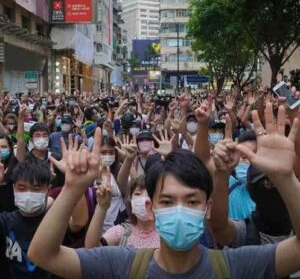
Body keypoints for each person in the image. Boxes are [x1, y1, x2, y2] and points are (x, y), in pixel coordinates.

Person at [28, 109, 300, 278]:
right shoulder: (122, 265)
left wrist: (286, 179)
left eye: (192, 200)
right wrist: (72, 188)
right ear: (151, 207)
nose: (180, 208)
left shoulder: (236, 266)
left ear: (207, 208)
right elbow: (43, 254)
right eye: (167, 201)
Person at [0, 157, 52, 279]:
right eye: (22, 188)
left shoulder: (54, 223)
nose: (28, 195)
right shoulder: (5, 222)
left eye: (36, 188)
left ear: (47, 190)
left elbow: (78, 223)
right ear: (14, 189)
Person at [85, 175, 160, 248]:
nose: (144, 199)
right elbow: (91, 248)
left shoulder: (166, 234)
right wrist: (102, 207)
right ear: (130, 201)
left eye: (149, 195)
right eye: (138, 194)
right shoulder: (122, 232)